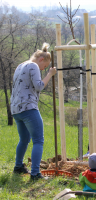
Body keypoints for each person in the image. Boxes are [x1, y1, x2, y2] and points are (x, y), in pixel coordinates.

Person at [10, 43, 57, 180]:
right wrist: (50, 74)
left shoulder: (20, 65)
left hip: (16, 109)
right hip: (28, 108)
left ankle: (18, 166)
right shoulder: (34, 65)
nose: (43, 69)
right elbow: (39, 86)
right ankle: (35, 174)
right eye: (45, 66)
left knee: (24, 139)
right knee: (38, 140)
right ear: (41, 59)